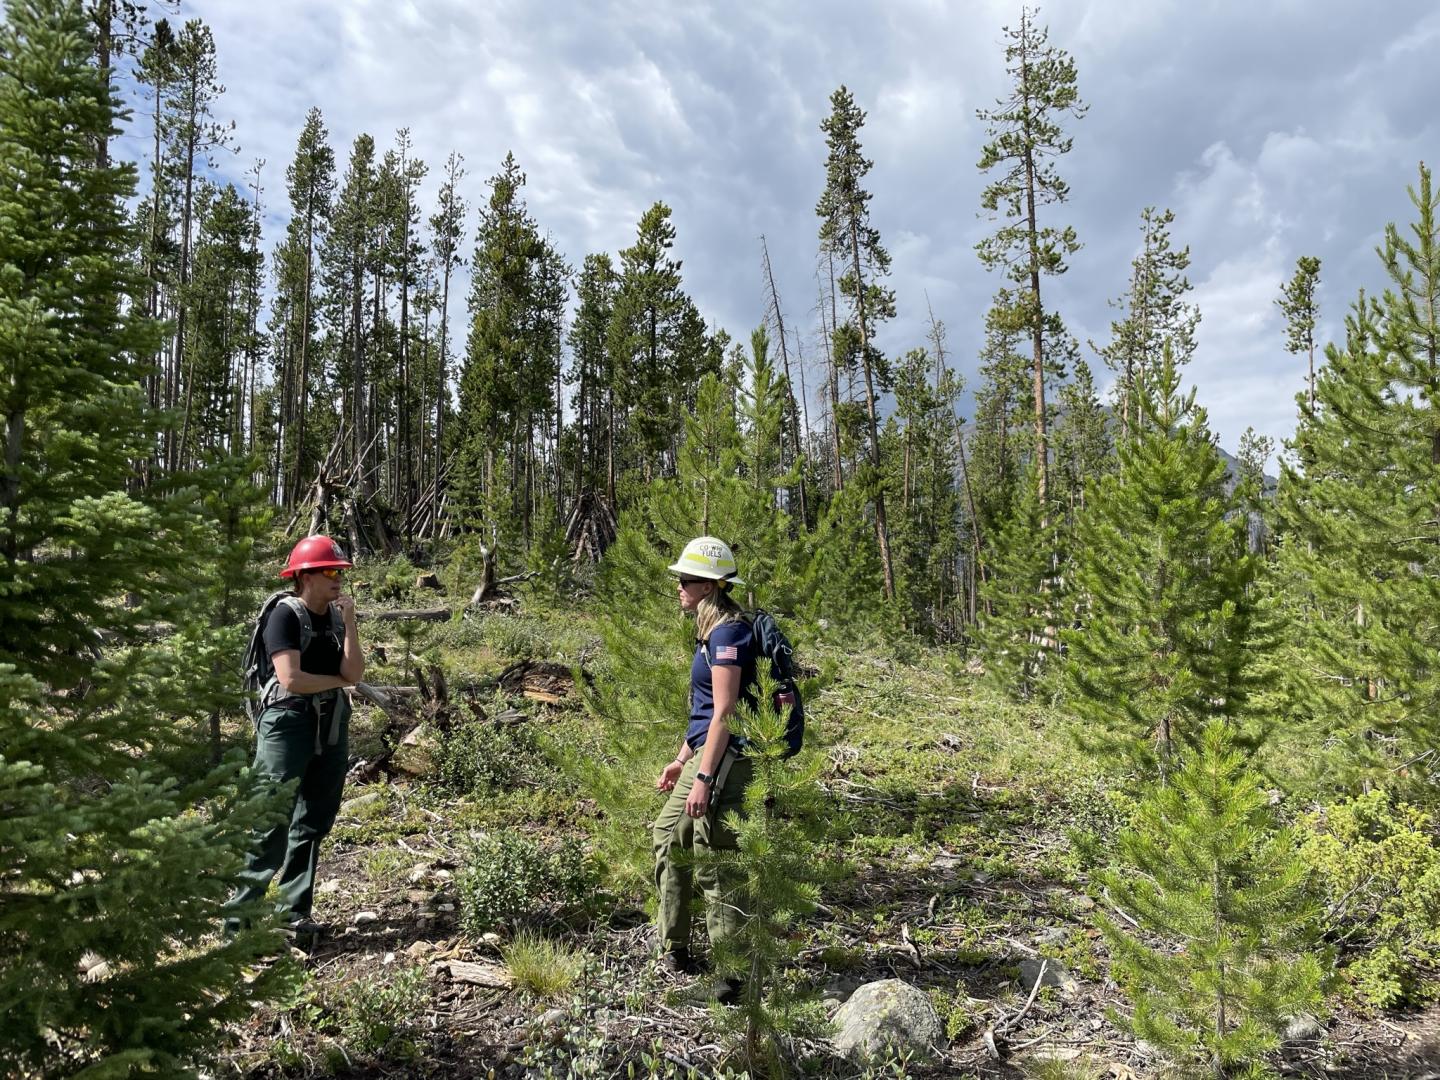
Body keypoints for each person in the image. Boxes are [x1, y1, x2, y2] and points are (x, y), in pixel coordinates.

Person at [228, 535, 364, 936]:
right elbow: (290, 678)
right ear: (304, 576)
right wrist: (334, 681)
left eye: (340, 571)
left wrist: (352, 624)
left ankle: (293, 911)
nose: (337, 578)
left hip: (331, 723)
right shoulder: (284, 616)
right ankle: (239, 923)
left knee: (314, 820)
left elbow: (353, 675)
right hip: (287, 724)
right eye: (328, 570)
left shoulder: (337, 617)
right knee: (270, 820)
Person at [651, 536, 759, 1003]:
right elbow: (702, 710)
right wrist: (681, 759)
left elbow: (727, 713)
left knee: (715, 861)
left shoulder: (729, 634)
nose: (678, 585)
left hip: (725, 760)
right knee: (668, 836)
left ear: (711, 585)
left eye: (686, 579)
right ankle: (674, 950)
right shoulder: (709, 630)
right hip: (703, 753)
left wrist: (704, 776)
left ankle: (731, 979)